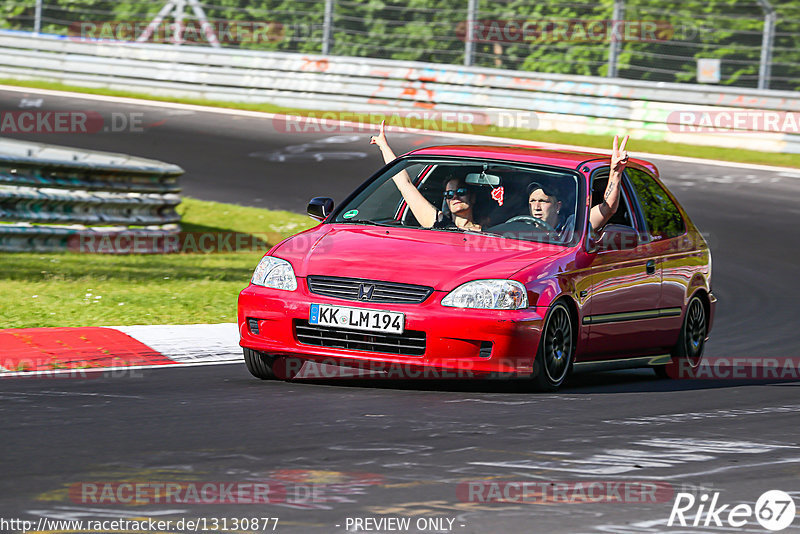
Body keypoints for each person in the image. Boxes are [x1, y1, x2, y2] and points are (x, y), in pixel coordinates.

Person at [369, 120, 481, 231]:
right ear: (446, 201)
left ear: (473, 197)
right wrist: (383, 146)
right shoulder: (440, 224)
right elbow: (404, 184)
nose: (455, 197)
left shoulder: (489, 232)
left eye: (461, 192)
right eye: (449, 194)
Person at [526, 134, 630, 241]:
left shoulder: (574, 225)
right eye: (532, 201)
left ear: (558, 206)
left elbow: (607, 208)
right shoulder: (519, 228)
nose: (536, 207)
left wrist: (615, 172)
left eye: (543, 201)